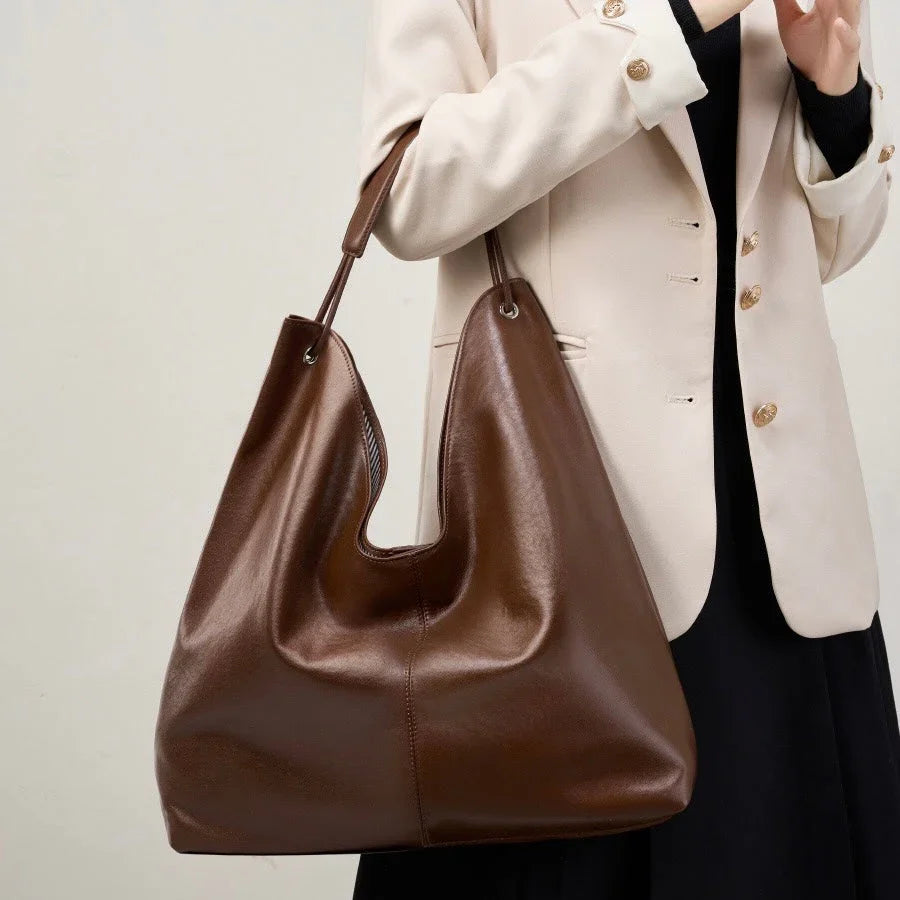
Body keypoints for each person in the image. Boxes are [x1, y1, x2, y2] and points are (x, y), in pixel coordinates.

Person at [352, 1, 900, 897]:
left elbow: (830, 246)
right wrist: (667, 25)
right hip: (564, 519)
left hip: (779, 538)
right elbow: (406, 196)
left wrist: (836, 98)